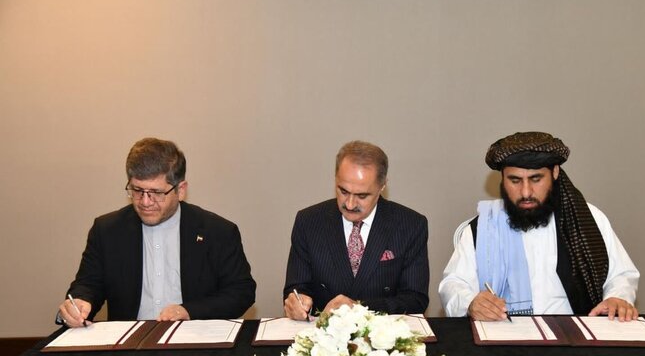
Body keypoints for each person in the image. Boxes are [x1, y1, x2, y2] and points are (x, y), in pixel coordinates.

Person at [439, 131, 639, 321]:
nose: (526, 192)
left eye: (536, 179)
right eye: (515, 180)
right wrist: (471, 303)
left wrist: (617, 297)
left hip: (575, 333)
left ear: (555, 172)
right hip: (505, 332)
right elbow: (453, 284)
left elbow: (621, 275)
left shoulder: (588, 219)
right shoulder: (483, 227)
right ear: (502, 180)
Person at [57, 137, 256, 327]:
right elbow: (88, 285)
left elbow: (241, 292)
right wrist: (80, 303)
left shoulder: (217, 231)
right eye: (137, 190)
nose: (145, 202)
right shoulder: (107, 230)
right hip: (130, 344)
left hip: (194, 339)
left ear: (181, 190)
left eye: (156, 193)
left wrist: (189, 311)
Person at [283, 140, 429, 319]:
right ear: (335, 179)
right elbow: (296, 288)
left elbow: (415, 299)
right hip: (322, 331)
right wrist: (297, 303)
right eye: (343, 191)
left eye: (362, 195)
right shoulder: (309, 222)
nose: (350, 204)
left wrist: (359, 308)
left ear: (382, 186)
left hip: (382, 331)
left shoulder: (410, 225)